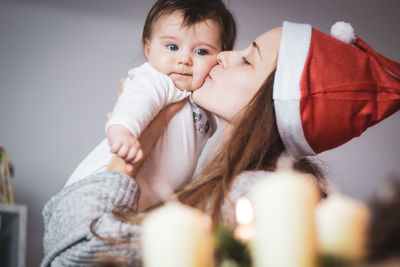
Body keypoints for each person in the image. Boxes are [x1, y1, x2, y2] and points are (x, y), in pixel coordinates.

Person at [41, 21, 400, 266]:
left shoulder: (257, 195)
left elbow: (77, 251)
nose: (222, 56)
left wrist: (140, 141)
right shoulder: (230, 179)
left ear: (276, 100)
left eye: (247, 59)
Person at [66, 0, 237, 211]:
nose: (184, 59)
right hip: (99, 181)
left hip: (140, 199)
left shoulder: (202, 98)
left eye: (201, 52)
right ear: (148, 49)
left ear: (221, 58)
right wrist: (122, 131)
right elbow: (137, 101)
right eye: (172, 47)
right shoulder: (157, 80)